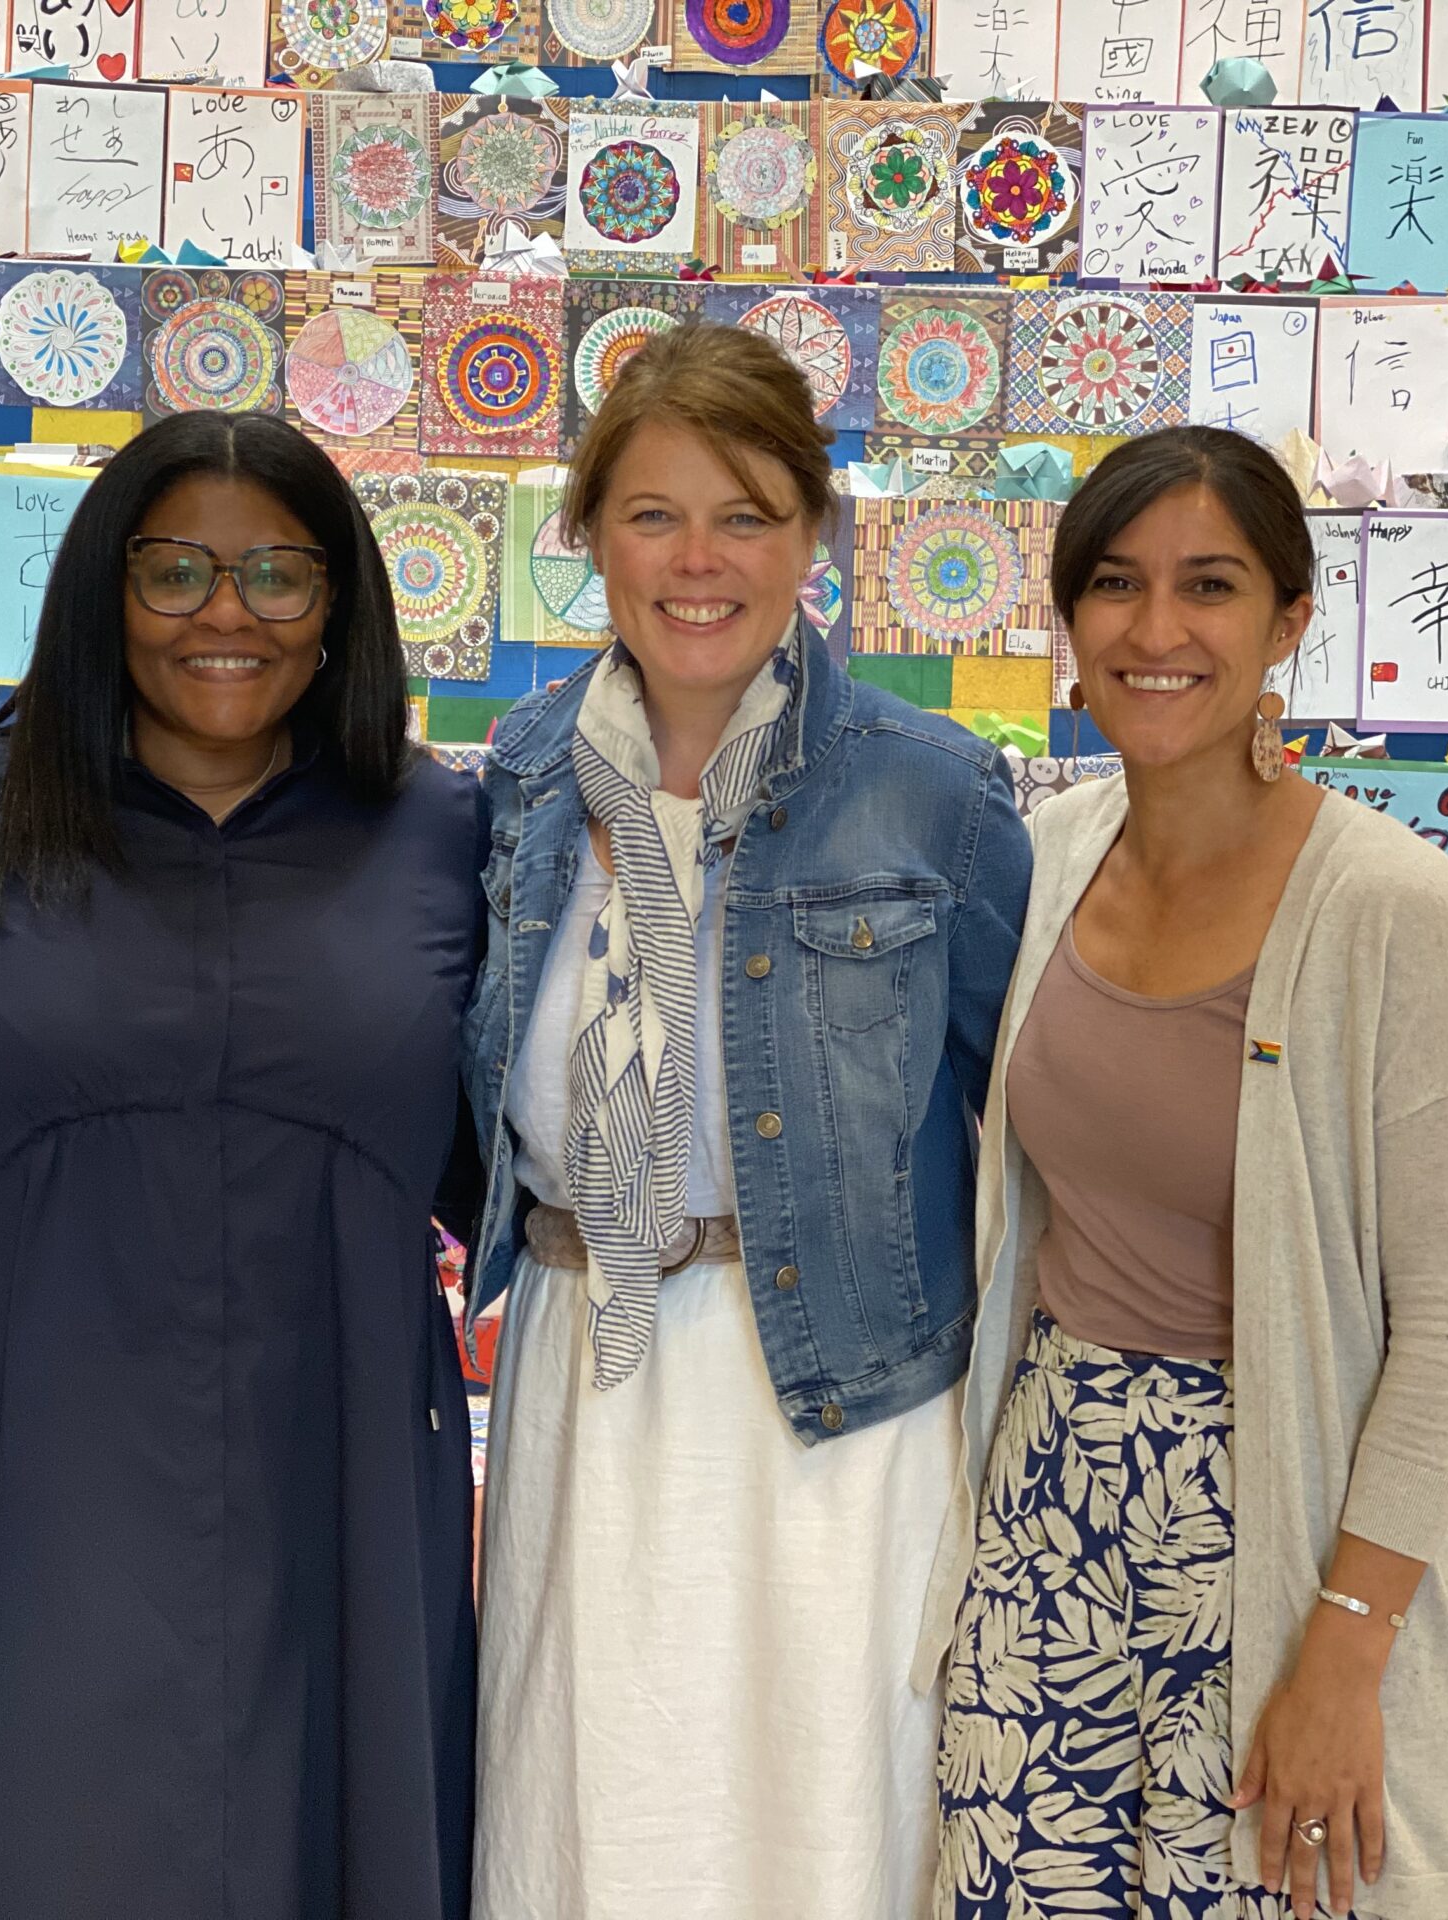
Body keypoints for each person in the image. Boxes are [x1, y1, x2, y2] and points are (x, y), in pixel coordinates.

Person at [0, 411, 485, 1920]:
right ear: (102, 590)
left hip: (343, 1459)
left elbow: (513, 1156)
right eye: (178, 570)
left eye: (279, 572)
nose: (228, 612)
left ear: (340, 601)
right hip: (27, 1465)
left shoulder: (445, 831)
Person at [461, 321, 1032, 1919]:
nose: (697, 561)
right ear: (583, 537)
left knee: (821, 1823)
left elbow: (1024, 1129)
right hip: (594, 1368)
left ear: (816, 537)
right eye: (651, 515)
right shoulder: (516, 782)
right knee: (587, 1816)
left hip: (838, 1402)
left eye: (748, 516)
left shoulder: (933, 793)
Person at [927, 425, 1448, 1920]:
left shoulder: (1395, 912)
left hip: (1282, 1512)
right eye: (1116, 585)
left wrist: (1345, 1648)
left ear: (1288, 623)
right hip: (1052, 1501)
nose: (1157, 630)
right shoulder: (1054, 854)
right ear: (1066, 624)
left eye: (1210, 585)